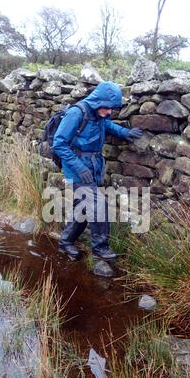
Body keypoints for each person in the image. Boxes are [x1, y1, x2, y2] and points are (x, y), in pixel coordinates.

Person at [53, 81, 143, 260]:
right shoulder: (76, 113)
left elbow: (107, 126)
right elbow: (59, 144)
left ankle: (65, 242)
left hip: (93, 166)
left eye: (112, 109)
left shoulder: (99, 114)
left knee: (83, 207)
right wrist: (79, 168)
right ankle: (100, 248)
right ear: (97, 101)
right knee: (97, 204)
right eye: (107, 107)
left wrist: (125, 133)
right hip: (76, 168)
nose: (109, 112)